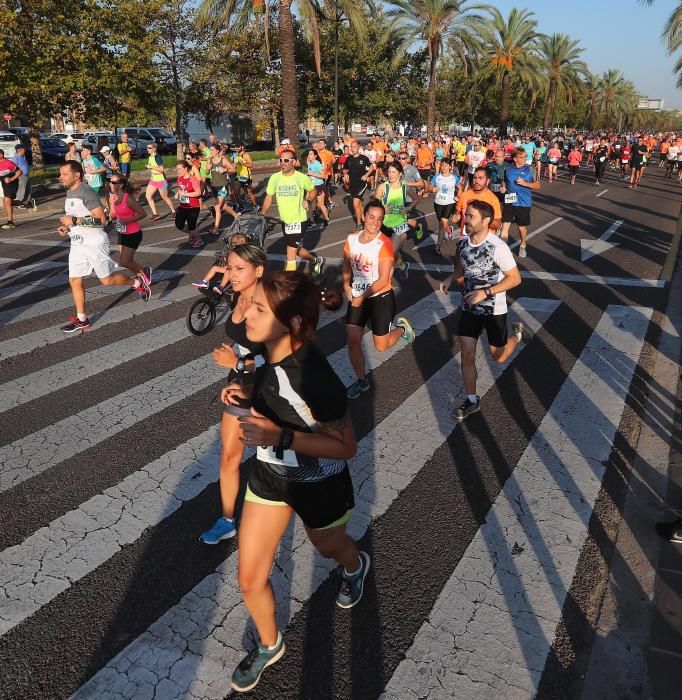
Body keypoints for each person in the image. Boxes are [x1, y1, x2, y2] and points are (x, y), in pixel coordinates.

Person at [228, 271, 370, 693]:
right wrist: (243, 391)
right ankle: (270, 644)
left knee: (328, 546)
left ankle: (354, 565)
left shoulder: (316, 376)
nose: (246, 314)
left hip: (317, 481)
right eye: (249, 303)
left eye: (258, 308)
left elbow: (345, 447)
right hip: (271, 475)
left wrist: (281, 436)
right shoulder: (265, 347)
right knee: (250, 578)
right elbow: (271, 388)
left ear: (289, 324)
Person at [439, 200, 530, 420]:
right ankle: (471, 400)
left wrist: (486, 292)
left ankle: (517, 335)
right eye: (466, 215)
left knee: (498, 357)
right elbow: (461, 264)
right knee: (467, 354)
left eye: (470, 216)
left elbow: (515, 279)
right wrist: (451, 277)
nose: (465, 220)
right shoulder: (463, 243)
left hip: (493, 309)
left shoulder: (497, 247)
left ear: (486, 221)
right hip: (470, 306)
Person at [200, 244, 266, 545]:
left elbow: (283, 360)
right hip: (242, 381)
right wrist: (237, 365)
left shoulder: (268, 306)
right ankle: (227, 519)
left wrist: (238, 362)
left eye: (240, 269)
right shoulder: (238, 295)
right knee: (229, 458)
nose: (232, 274)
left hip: (271, 388)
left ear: (259, 271)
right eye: (230, 267)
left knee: (278, 458)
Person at [57, 161, 151, 334]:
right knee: (74, 280)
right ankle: (82, 319)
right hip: (77, 243)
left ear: (76, 175)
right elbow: (75, 216)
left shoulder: (87, 192)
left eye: (64, 174)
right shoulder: (70, 192)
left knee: (106, 281)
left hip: (94, 243)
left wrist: (75, 221)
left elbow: (101, 220)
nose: (60, 177)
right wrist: (67, 227)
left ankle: (137, 282)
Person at [342, 198, 415, 399]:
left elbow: (384, 279)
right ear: (364, 216)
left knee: (381, 347)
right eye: (371, 217)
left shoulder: (383, 244)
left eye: (379, 219)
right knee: (353, 339)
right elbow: (347, 266)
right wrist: (346, 285)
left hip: (380, 296)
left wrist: (362, 296)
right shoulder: (352, 239)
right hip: (358, 294)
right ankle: (361, 380)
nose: (374, 222)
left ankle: (402, 329)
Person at [261, 147, 325, 276]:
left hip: (299, 220)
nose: (282, 163)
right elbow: (268, 197)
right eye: (281, 160)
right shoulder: (275, 178)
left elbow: (313, 190)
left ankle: (288, 285)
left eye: (286, 160)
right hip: (285, 220)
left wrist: (308, 200)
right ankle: (315, 260)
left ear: (294, 162)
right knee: (295, 248)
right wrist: (263, 213)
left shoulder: (301, 178)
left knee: (290, 252)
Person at [375, 161, 423, 280]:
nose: (390, 174)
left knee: (390, 252)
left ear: (400, 174)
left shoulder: (405, 188)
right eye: (389, 172)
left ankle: (382, 280)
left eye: (393, 172)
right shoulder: (382, 187)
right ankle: (403, 266)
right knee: (395, 254)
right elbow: (374, 204)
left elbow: (416, 199)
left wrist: (408, 208)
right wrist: (382, 207)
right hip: (384, 224)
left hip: (400, 225)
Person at [108, 175, 151, 283]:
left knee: (124, 262)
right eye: (110, 182)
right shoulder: (113, 197)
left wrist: (127, 220)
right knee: (127, 260)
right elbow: (112, 215)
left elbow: (143, 214)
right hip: (122, 233)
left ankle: (144, 272)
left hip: (133, 234)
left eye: (114, 182)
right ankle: (141, 276)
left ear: (121, 184)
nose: (110, 184)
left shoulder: (128, 198)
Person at [500, 147, 541, 257]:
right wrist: (503, 188)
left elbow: (537, 185)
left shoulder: (530, 169)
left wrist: (525, 184)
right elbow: (504, 182)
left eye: (525, 156)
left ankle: (523, 244)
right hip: (510, 200)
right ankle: (503, 252)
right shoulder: (507, 169)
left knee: (521, 227)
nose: (524, 158)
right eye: (522, 157)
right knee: (504, 227)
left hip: (523, 202)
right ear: (514, 158)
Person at [456, 167, 502, 239]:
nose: (476, 181)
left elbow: (498, 224)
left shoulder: (493, 199)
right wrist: (456, 216)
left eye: (481, 178)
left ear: (487, 181)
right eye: (475, 178)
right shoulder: (464, 195)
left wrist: (480, 220)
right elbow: (458, 213)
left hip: (484, 240)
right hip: (465, 238)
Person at [430, 157, 461, 255]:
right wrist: (432, 189)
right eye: (442, 165)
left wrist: (458, 196)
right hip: (437, 202)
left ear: (449, 167)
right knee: (442, 223)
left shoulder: (454, 177)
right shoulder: (437, 177)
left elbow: (460, 187)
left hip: (449, 203)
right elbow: (430, 186)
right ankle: (449, 230)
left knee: (442, 224)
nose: (443, 167)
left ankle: (438, 246)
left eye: (446, 165)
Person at [207, 144, 240, 233]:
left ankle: (216, 228)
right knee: (223, 205)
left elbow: (233, 169)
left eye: (212, 150)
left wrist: (225, 170)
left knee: (217, 207)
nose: (211, 152)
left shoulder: (223, 160)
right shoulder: (210, 160)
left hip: (222, 186)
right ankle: (236, 215)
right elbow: (207, 172)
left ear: (217, 151)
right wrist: (208, 168)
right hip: (214, 186)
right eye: (210, 150)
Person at [174, 159, 203, 247]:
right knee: (179, 225)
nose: (178, 171)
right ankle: (192, 233)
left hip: (193, 207)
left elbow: (198, 192)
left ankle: (198, 239)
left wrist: (186, 194)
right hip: (183, 206)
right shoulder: (179, 178)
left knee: (192, 226)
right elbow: (180, 189)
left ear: (186, 168)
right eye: (177, 169)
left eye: (179, 169)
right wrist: (177, 193)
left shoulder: (192, 179)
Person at [145, 142, 175, 221]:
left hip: (162, 181)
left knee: (164, 197)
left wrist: (151, 166)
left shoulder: (157, 157)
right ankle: (155, 214)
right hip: (153, 180)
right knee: (148, 196)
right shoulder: (150, 157)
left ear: (154, 149)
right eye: (147, 148)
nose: (147, 149)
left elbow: (161, 169)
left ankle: (174, 211)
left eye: (149, 148)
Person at [306, 148, 330, 226]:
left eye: (311, 154)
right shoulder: (309, 163)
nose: (309, 155)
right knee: (307, 202)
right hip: (311, 186)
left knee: (321, 204)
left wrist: (312, 174)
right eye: (309, 154)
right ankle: (312, 221)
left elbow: (323, 176)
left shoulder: (317, 164)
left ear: (315, 156)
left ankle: (327, 219)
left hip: (319, 186)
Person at [0, 149, 21, 229]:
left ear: (1, 155)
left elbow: (19, 172)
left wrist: (11, 179)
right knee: (6, 203)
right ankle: (27, 203)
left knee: (8, 203)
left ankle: (10, 222)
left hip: (11, 184)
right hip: (3, 184)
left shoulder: (8, 163)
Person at [80, 144, 107, 208]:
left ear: (89, 151)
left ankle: (102, 211)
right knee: (94, 199)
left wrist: (93, 172)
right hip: (89, 183)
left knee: (93, 199)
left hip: (96, 183)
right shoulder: (84, 161)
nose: (83, 152)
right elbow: (84, 172)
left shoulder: (94, 159)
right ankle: (104, 209)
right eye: (82, 150)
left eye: (84, 150)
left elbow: (103, 168)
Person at [11, 145, 34, 209]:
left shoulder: (23, 156)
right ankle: (19, 204)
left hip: (26, 176)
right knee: (21, 190)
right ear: (19, 150)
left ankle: (26, 203)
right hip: (21, 176)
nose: (25, 150)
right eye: (24, 149)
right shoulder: (16, 157)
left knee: (28, 189)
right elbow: (12, 167)